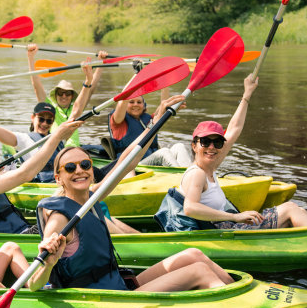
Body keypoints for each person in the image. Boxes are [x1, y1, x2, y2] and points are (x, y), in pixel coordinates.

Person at [29, 95, 233, 292]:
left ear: (92, 169)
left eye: (85, 164)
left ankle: (240, 292)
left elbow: (129, 160)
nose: (80, 170)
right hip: (104, 298)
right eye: (70, 168)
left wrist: (158, 121)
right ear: (58, 177)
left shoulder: (91, 197)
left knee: (193, 255)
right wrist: (48, 264)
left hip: (116, 282)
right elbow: (33, 284)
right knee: (199, 271)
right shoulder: (59, 219)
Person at [174, 75, 307, 230]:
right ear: (194, 146)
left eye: (217, 142)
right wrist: (235, 217)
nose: (211, 147)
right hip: (226, 232)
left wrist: (247, 94)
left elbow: (234, 129)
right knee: (290, 209)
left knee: (298, 209)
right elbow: (190, 208)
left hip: (229, 226)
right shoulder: (198, 173)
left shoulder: (211, 166)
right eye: (205, 142)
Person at [0, 81, 62, 182]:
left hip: (58, 180)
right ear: (33, 117)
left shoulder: (58, 138)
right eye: (41, 119)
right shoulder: (23, 139)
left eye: (49, 120)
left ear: (53, 122)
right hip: (40, 184)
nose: (44, 124)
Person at [27, 43, 108, 148]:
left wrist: (100, 63)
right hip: (57, 149)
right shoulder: (49, 108)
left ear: (72, 96)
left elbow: (90, 88)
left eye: (68, 93)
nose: (64, 96)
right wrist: (30, 57)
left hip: (75, 149)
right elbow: (36, 85)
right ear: (55, 95)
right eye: (60, 93)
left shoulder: (76, 108)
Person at [107, 89, 193, 167]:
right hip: (133, 165)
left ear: (144, 106)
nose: (135, 104)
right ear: (125, 105)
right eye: (131, 102)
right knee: (164, 152)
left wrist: (166, 82)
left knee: (179, 146)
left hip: (151, 160)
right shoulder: (118, 122)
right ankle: (183, 177)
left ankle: (190, 173)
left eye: (139, 102)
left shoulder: (149, 119)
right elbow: (122, 101)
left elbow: (164, 105)